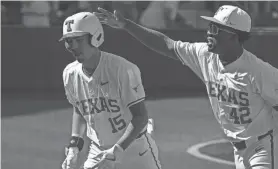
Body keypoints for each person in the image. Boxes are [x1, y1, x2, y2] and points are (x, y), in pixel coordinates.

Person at [95, 5, 278, 169]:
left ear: (233, 36)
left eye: (215, 29)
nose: (209, 33)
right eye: (209, 27)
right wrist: (127, 25)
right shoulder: (205, 56)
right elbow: (167, 45)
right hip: (238, 151)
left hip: (263, 149)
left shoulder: (259, 72)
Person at [60, 12, 161, 169]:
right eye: (68, 41)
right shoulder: (70, 74)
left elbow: (140, 117)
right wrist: (74, 146)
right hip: (98, 150)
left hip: (135, 150)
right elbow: (80, 109)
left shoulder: (123, 69)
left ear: (95, 37)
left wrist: (118, 150)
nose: (72, 47)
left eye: (78, 40)